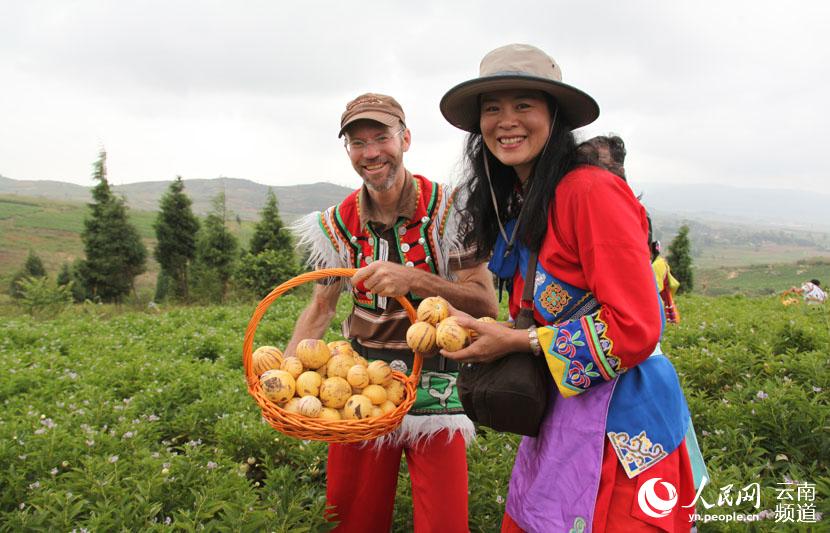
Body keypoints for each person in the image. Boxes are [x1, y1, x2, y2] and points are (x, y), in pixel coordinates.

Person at [438, 44, 700, 531]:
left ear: (553, 115)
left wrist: (517, 341)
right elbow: (545, 311)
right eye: (492, 108)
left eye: (523, 105)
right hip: (564, 412)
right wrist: (488, 331)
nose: (506, 121)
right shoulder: (524, 198)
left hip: (622, 426)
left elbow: (637, 327)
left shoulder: (589, 190)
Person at [288, 92, 498, 532]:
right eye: (357, 143)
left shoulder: (449, 211)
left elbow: (484, 302)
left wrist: (416, 280)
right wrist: (286, 379)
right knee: (351, 518)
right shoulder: (337, 224)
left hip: (436, 387)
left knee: (444, 524)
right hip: (358, 388)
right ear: (348, 151)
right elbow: (320, 308)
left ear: (405, 139)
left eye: (380, 137)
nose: (371, 153)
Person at [651, 240, 681, 323]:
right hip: (664, 294)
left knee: (661, 317)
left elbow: (656, 286)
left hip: (661, 294)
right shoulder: (660, 261)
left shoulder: (657, 265)